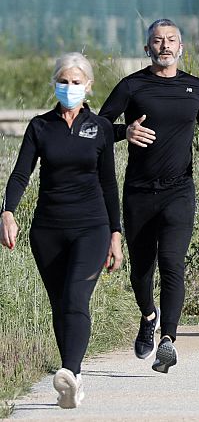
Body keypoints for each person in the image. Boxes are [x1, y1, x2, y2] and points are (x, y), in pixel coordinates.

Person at [1, 52, 123, 408]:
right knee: (60, 306)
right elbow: (21, 174)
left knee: (75, 298)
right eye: (63, 81)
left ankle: (70, 371)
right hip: (48, 230)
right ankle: (73, 381)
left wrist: (115, 234)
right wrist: (7, 212)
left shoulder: (98, 128)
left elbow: (109, 184)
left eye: (76, 82)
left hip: (92, 226)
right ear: (55, 83)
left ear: (88, 86)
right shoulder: (40, 127)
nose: (69, 88)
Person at [100, 19, 199, 373]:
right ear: (147, 48)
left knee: (172, 262)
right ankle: (148, 316)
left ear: (181, 47)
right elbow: (98, 124)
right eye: (158, 41)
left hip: (179, 190)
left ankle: (168, 339)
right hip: (139, 192)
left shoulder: (195, 87)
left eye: (171, 40)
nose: (165, 45)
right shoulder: (132, 85)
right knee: (141, 270)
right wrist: (126, 130)